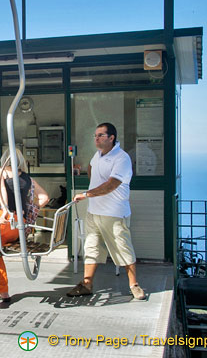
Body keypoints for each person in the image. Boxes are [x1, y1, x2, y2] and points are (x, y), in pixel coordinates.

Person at [66, 122, 146, 300]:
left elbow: (112, 185)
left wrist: (88, 193)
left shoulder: (122, 158)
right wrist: (94, 186)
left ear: (111, 138)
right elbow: (91, 168)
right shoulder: (98, 155)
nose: (96, 138)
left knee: (123, 248)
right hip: (94, 213)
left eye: (101, 135)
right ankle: (86, 284)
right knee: (91, 248)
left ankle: (134, 285)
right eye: (95, 135)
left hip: (115, 214)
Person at [0, 149, 49, 308]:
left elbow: (1, 189)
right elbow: (44, 198)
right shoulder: (28, 178)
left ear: (3, 159)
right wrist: (29, 208)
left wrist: (5, 209)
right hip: (18, 223)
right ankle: (4, 291)